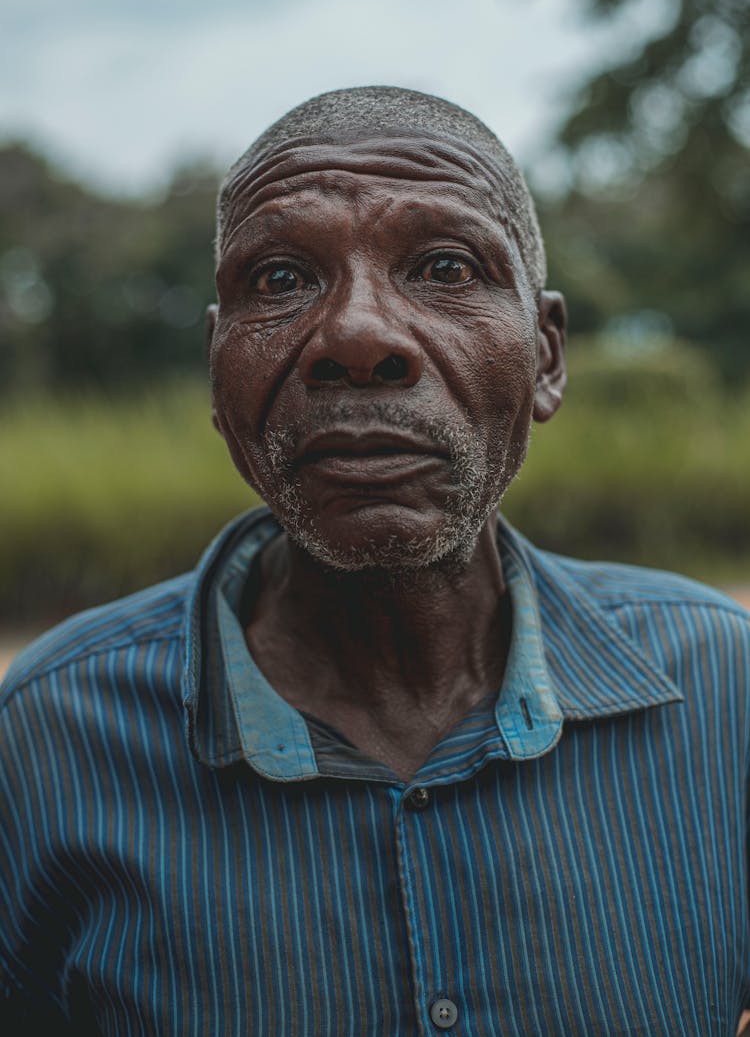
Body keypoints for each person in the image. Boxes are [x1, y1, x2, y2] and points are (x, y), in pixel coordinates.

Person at [1, 86, 749, 1036]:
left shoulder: (725, 695)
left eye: (444, 266)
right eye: (278, 279)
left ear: (547, 356)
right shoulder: (48, 738)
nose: (359, 336)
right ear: (216, 370)